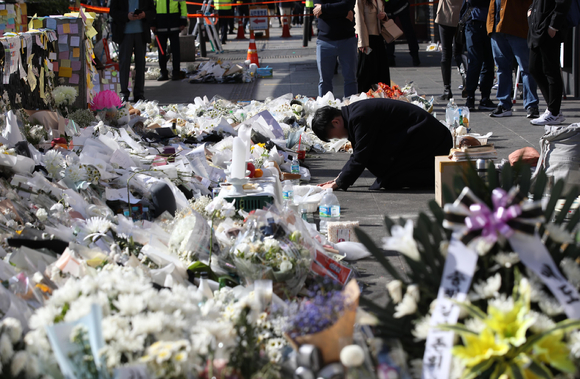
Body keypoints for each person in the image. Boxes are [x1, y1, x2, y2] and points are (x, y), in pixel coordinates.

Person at [312, 99, 453, 190]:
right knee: (389, 178)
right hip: (420, 137)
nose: (339, 138)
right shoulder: (354, 114)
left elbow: (361, 155)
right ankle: (438, 174)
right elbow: (360, 153)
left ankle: (440, 176)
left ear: (335, 122)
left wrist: (339, 182)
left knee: (392, 179)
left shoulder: (359, 117)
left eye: (334, 136)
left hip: (431, 139)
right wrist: (340, 177)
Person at [487, 0, 540, 118]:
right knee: (501, 68)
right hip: (496, 26)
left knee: (526, 68)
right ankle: (504, 104)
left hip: (517, 26)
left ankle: (531, 105)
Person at [527, 0, 571, 125]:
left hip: (549, 29)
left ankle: (554, 112)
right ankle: (553, 109)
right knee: (534, 68)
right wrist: (530, 10)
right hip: (537, 27)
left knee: (551, 70)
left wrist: (554, 25)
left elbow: (563, 3)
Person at [110, 0, 156, 103]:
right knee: (124, 64)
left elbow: (152, 11)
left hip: (141, 33)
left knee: (140, 65)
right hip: (124, 33)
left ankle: (139, 94)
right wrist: (126, 16)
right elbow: (113, 11)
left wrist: (144, 14)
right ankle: (124, 93)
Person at [314, 0, 358, 97]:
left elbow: (348, 4)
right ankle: (326, 109)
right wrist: (344, 12)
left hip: (347, 39)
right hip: (324, 41)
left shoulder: (324, 8)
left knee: (351, 78)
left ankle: (351, 108)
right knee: (324, 80)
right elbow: (318, 13)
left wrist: (324, 8)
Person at [460, 0, 496, 111]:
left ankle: (485, 97)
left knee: (489, 62)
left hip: (490, 23)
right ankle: (470, 97)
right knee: (475, 62)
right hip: (473, 22)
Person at [355, 0, 390, 93]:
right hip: (367, 38)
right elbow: (359, 20)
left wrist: (384, 16)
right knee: (366, 71)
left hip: (378, 37)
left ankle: (382, 94)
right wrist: (362, 42)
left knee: (381, 70)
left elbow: (382, 16)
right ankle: (364, 95)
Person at [435, 0, 465, 100]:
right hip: (461, 15)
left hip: (445, 14)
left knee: (446, 53)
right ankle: (465, 77)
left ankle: (447, 89)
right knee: (458, 52)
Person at [152, 0, 188, 81]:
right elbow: (152, 7)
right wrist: (152, 23)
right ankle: (163, 73)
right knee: (161, 52)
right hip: (160, 26)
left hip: (174, 25)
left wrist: (183, 21)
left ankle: (176, 73)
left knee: (175, 51)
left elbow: (183, 6)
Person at [384, 0, 420, 67]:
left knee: (391, 32)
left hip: (396, 6)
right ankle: (415, 57)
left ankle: (390, 59)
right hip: (395, 7)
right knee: (406, 31)